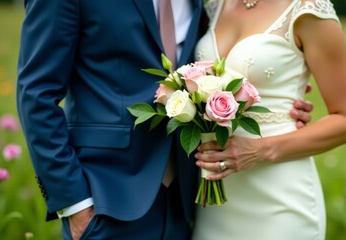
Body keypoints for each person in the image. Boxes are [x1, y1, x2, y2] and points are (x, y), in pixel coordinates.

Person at [16, 0, 314, 239]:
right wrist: (75, 204)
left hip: (189, 202)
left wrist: (278, 94)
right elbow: (36, 94)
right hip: (105, 199)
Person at [192, 0, 346, 240]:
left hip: (279, 197)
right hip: (214, 199)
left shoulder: (309, 10)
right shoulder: (213, 6)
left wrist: (259, 150)